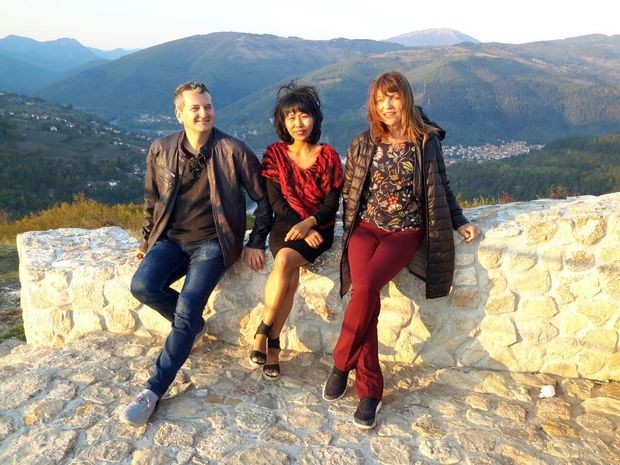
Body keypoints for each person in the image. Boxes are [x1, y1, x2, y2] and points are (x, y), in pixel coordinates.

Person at [322, 71, 480, 429]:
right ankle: (370, 393)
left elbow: (441, 186)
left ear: (405, 98)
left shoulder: (425, 141)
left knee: (364, 287)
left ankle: (341, 363)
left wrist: (459, 220)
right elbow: (351, 190)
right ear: (373, 105)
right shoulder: (364, 142)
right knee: (365, 298)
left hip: (404, 232)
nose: (387, 105)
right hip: (364, 229)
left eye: (393, 97)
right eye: (380, 99)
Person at [120, 81, 272, 426]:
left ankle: (153, 390)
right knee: (142, 286)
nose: (204, 113)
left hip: (214, 242)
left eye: (208, 106)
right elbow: (152, 200)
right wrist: (146, 242)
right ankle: (193, 328)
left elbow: (264, 200)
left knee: (187, 309)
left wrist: (256, 241)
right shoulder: (161, 149)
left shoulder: (233, 150)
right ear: (179, 114)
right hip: (171, 239)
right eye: (195, 108)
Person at [248, 83, 343, 380]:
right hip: (285, 226)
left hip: (319, 228)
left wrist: (309, 224)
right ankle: (274, 344)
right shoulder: (274, 155)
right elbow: (275, 201)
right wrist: (300, 225)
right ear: (283, 121)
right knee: (287, 272)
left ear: (314, 118)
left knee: (285, 262)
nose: (298, 123)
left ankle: (263, 330)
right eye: (291, 117)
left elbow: (331, 204)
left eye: (303, 115)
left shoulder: (327, 156)